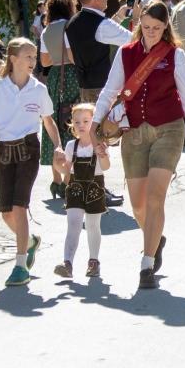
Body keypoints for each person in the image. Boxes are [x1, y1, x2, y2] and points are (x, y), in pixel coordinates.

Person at [89, 1, 185, 289]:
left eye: (156, 28)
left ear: (166, 26)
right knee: (138, 206)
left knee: (155, 198)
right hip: (134, 133)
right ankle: (156, 239)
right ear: (139, 24)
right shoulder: (125, 53)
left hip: (168, 129)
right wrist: (94, 124)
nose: (151, 32)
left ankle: (146, 264)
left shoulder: (175, 54)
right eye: (146, 27)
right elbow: (110, 91)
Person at [0, 38, 62, 286]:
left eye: (34, 57)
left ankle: (20, 265)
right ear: (13, 59)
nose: (33, 61)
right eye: (28, 56)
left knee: (19, 206)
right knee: (6, 212)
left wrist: (58, 146)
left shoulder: (39, 89)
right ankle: (30, 241)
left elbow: (49, 122)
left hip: (29, 149)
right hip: (4, 151)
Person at [53, 103, 108, 279]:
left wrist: (102, 154)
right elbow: (66, 172)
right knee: (73, 224)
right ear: (72, 125)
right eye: (77, 122)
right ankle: (67, 263)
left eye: (86, 121)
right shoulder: (71, 146)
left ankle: (94, 261)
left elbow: (105, 167)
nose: (81, 125)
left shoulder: (99, 144)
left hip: (94, 188)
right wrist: (57, 164)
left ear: (94, 123)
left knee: (92, 225)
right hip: (75, 188)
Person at [65, 0, 138, 104]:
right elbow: (134, 40)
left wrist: (118, 17)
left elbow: (72, 56)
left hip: (84, 87)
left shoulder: (71, 23)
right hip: (104, 88)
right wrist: (137, 18)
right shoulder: (102, 24)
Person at [39, 0, 81, 198]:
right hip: (71, 75)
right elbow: (73, 56)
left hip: (55, 76)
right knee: (70, 121)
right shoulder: (70, 26)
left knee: (54, 119)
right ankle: (66, 181)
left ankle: (55, 180)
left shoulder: (46, 30)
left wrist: (57, 55)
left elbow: (45, 61)